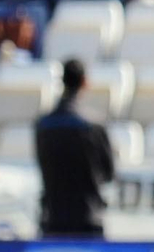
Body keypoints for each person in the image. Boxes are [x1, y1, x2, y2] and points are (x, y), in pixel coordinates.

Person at [35, 57, 114, 237]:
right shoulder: (94, 125)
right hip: (88, 219)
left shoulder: (43, 125)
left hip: (53, 219)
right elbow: (108, 173)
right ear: (85, 82)